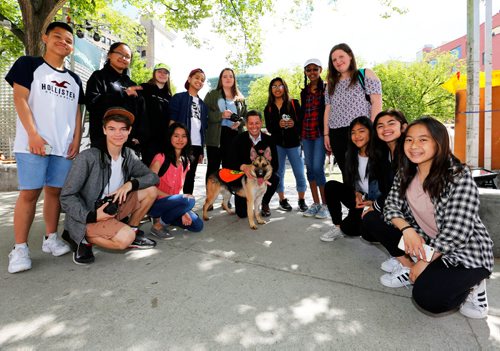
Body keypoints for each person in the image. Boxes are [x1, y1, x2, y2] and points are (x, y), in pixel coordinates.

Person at [382, 117, 493, 319]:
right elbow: (390, 206)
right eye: (409, 140)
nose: (414, 146)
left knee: (427, 297)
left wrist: (423, 261)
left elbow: (457, 232)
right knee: (374, 221)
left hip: (465, 251)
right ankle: (415, 266)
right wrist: (407, 230)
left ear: (439, 143)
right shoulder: (405, 172)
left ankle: (473, 285)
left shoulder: (457, 176)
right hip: (430, 242)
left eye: (423, 140)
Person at [5, 22, 84, 273]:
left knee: (55, 192)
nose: (63, 42)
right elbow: (20, 98)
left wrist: (76, 139)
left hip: (63, 147)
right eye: (57, 36)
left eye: (68, 40)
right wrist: (33, 134)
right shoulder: (28, 65)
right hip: (33, 144)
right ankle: (19, 249)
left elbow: (77, 114)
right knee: (29, 193)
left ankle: (50, 238)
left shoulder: (74, 79)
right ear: (45, 38)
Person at [60, 108, 159, 265]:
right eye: (112, 129)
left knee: (151, 191)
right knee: (125, 240)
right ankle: (81, 238)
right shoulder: (88, 157)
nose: (118, 134)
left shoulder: (128, 155)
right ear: (104, 130)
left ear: (129, 131)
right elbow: (67, 196)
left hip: (114, 206)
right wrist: (91, 216)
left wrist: (130, 184)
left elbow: (153, 177)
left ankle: (133, 229)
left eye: (123, 129)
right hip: (89, 214)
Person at [323, 43, 382, 180]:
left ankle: (369, 201)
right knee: (347, 173)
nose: (338, 61)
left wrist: (372, 129)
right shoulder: (330, 84)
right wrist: (326, 134)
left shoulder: (365, 74)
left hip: (360, 132)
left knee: (366, 171)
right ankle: (352, 201)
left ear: (350, 56)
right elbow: (328, 109)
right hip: (336, 133)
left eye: (341, 57)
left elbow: (376, 102)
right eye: (334, 60)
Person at [360, 109, 408, 273]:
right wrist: (374, 202)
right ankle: (401, 254)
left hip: (416, 211)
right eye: (380, 125)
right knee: (367, 225)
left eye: (391, 123)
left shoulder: (408, 152)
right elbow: (387, 189)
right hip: (399, 207)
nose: (385, 128)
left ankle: (408, 265)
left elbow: (403, 190)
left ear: (403, 127)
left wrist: (378, 205)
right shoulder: (385, 154)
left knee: (371, 218)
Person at [320, 116, 379, 242]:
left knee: (369, 233)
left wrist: (373, 203)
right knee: (331, 186)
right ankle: (337, 227)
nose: (357, 135)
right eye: (353, 132)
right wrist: (357, 193)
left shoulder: (381, 154)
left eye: (361, 131)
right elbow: (352, 182)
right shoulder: (350, 154)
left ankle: (376, 225)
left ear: (371, 131)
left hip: (377, 201)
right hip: (361, 199)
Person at [86, 42, 146, 152]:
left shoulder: (132, 84)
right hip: (102, 142)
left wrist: (139, 137)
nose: (123, 58)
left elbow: (140, 113)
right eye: (120, 53)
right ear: (109, 55)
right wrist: (123, 94)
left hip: (128, 145)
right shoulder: (98, 77)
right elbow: (92, 104)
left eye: (127, 57)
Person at [148, 123, 204, 239]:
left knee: (197, 225)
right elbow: (149, 188)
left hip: (173, 204)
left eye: (184, 136)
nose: (180, 139)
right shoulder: (160, 158)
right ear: (170, 137)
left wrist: (181, 210)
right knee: (189, 199)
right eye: (176, 136)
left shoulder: (185, 161)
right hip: (156, 204)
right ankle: (158, 225)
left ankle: (168, 217)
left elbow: (178, 190)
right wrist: (179, 203)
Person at [204, 68, 247, 208]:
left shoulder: (240, 98)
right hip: (216, 137)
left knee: (230, 170)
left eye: (231, 76)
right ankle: (209, 201)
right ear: (220, 79)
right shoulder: (212, 95)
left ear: (234, 79)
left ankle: (226, 201)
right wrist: (221, 115)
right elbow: (205, 115)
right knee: (213, 169)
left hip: (234, 137)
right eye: (224, 76)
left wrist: (240, 123)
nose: (228, 79)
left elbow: (245, 117)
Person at [264, 77, 308, 212]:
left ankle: (301, 199)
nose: (277, 89)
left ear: (285, 88)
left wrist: (294, 124)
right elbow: (270, 129)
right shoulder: (269, 108)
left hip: (294, 144)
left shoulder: (294, 103)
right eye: (274, 86)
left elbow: (301, 123)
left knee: (299, 172)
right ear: (271, 90)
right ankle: (282, 199)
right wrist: (278, 125)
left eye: (280, 85)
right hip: (277, 146)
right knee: (279, 173)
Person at [229, 110, 279, 218]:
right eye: (251, 123)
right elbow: (230, 162)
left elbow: (276, 165)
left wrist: (264, 176)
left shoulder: (269, 140)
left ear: (261, 123)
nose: (254, 126)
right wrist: (243, 167)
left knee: (275, 178)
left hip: (262, 177)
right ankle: (247, 200)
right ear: (246, 124)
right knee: (242, 214)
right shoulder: (237, 139)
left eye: (257, 123)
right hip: (243, 179)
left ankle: (264, 203)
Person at [169, 68, 208, 195]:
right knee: (173, 174)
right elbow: (172, 122)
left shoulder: (203, 105)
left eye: (202, 80)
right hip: (180, 143)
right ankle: (170, 203)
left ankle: (187, 203)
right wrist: (171, 143)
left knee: (190, 176)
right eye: (197, 78)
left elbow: (203, 128)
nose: (199, 81)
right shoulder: (179, 98)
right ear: (189, 79)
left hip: (196, 145)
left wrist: (202, 149)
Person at [299, 58, 329, 219]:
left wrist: (327, 134)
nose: (312, 72)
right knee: (309, 169)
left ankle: (325, 205)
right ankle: (316, 203)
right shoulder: (304, 92)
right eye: (308, 70)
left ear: (320, 70)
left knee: (318, 168)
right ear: (305, 72)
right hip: (306, 134)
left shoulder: (326, 89)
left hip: (319, 134)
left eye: (315, 69)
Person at [140, 63, 172, 167]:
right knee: (146, 171)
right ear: (154, 73)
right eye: (159, 71)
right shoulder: (144, 88)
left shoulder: (169, 97)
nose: (162, 74)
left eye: (165, 72)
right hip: (146, 139)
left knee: (160, 172)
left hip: (164, 141)